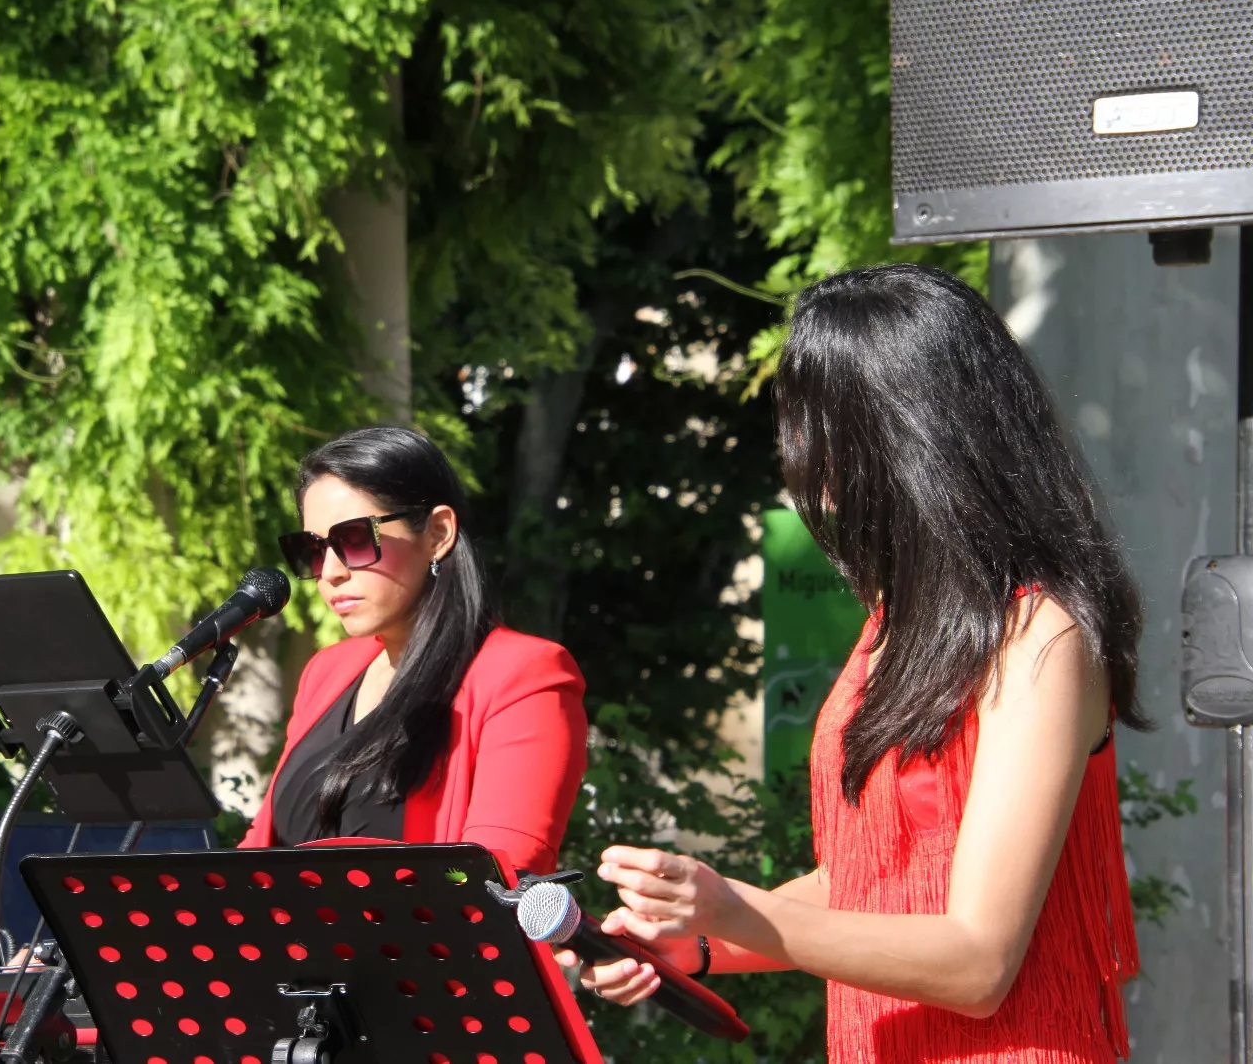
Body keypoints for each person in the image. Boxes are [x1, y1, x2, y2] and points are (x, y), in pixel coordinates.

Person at [565, 264, 1145, 1063]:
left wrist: (734, 910)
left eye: (812, 426)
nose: (801, 463)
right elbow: (868, 882)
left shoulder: (1038, 635)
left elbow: (979, 959)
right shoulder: (895, 625)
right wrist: (697, 940)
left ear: (900, 431)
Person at [239, 425, 588, 874]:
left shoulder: (523, 675)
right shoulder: (327, 671)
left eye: (353, 540)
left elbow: (501, 875)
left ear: (438, 533)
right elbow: (256, 853)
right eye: (311, 549)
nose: (330, 572)